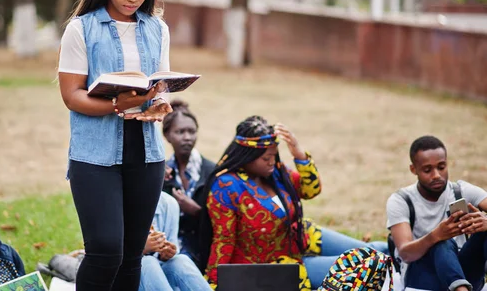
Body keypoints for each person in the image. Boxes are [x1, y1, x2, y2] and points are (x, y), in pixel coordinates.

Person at [57, 0, 173, 291]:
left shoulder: (158, 29)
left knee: (131, 256)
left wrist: (159, 104)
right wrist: (115, 106)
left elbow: (159, 83)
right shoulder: (81, 29)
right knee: (106, 249)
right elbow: (71, 95)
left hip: (148, 153)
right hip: (95, 156)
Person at [200, 115, 389, 290]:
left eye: (275, 155)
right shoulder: (226, 186)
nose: (272, 162)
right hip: (277, 267)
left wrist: (299, 154)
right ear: (247, 156)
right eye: (266, 158)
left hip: (301, 238)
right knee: (367, 264)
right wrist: (214, 282)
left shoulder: (276, 173)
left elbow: (310, 190)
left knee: (379, 249)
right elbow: (224, 239)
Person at [386, 135, 487, 291]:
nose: (436, 175)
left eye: (441, 167)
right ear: (414, 170)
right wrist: (435, 236)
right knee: (442, 243)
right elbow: (405, 253)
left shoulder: (462, 191)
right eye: (427, 170)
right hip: (422, 276)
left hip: (465, 273)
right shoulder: (401, 200)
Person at [161, 99, 216, 267]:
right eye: (180, 132)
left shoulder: (212, 172)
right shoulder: (161, 174)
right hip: (166, 254)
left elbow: (223, 224)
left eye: (192, 132)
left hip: (202, 256)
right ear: (167, 136)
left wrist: (196, 211)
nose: (187, 138)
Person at [140, 191, 212, 291]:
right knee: (147, 262)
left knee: (180, 261)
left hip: (157, 277)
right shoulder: (116, 200)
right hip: (125, 273)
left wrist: (167, 253)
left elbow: (170, 248)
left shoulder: (168, 202)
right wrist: (140, 249)